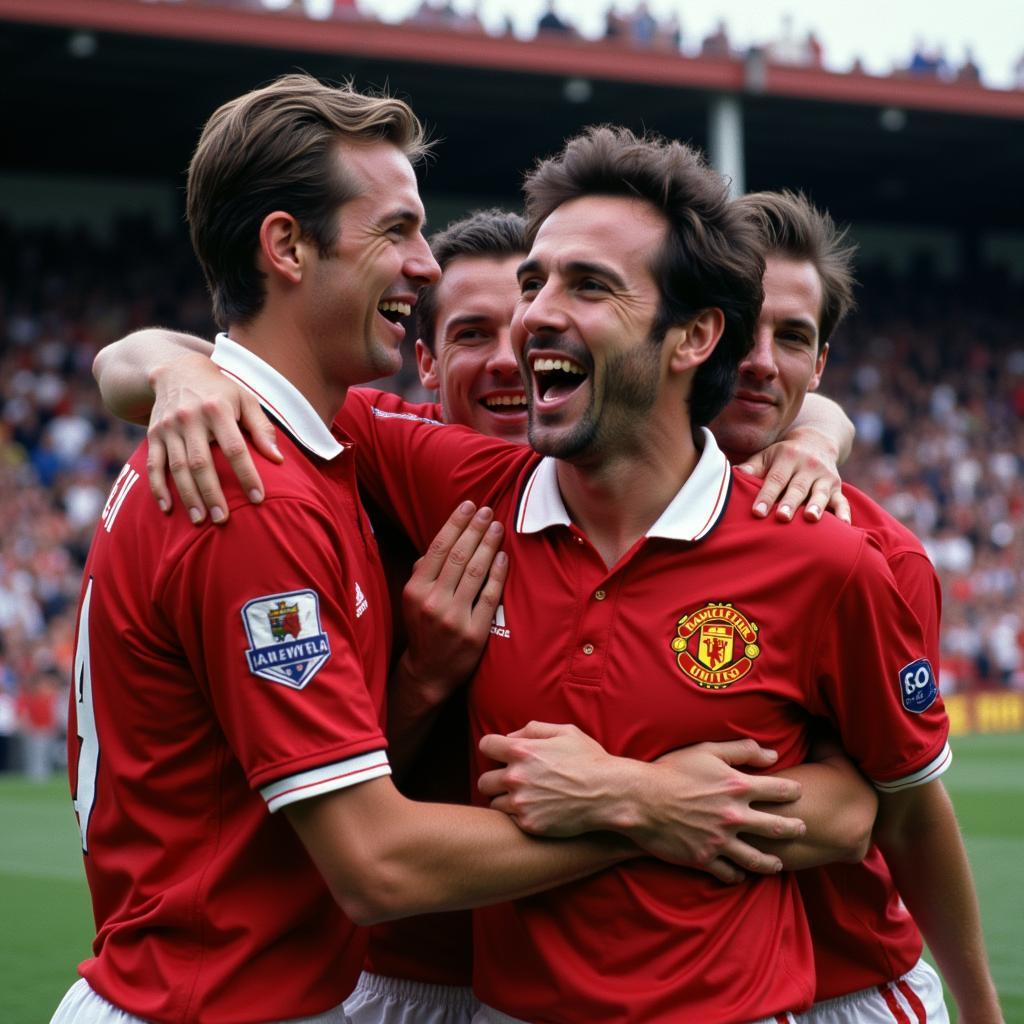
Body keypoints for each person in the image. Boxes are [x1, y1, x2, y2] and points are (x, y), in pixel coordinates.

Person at [94, 126, 946, 1022]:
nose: (530, 317)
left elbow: (868, 806)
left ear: (694, 335)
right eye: (533, 282)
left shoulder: (827, 552)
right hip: (397, 981)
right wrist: (178, 366)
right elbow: (238, 372)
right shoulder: (439, 482)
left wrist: (621, 792)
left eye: (587, 285)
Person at [51, 78, 722, 1024]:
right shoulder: (252, 492)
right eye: (396, 231)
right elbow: (374, 863)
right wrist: (647, 812)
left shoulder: (302, 446)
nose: (422, 263)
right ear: (286, 247)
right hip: (213, 1004)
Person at [712, 191, 1002, 1024]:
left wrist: (980, 1010)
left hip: (842, 990)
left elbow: (900, 816)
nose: (762, 361)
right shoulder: (597, 513)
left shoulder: (881, 556)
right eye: (741, 326)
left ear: (822, 367)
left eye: (794, 337)